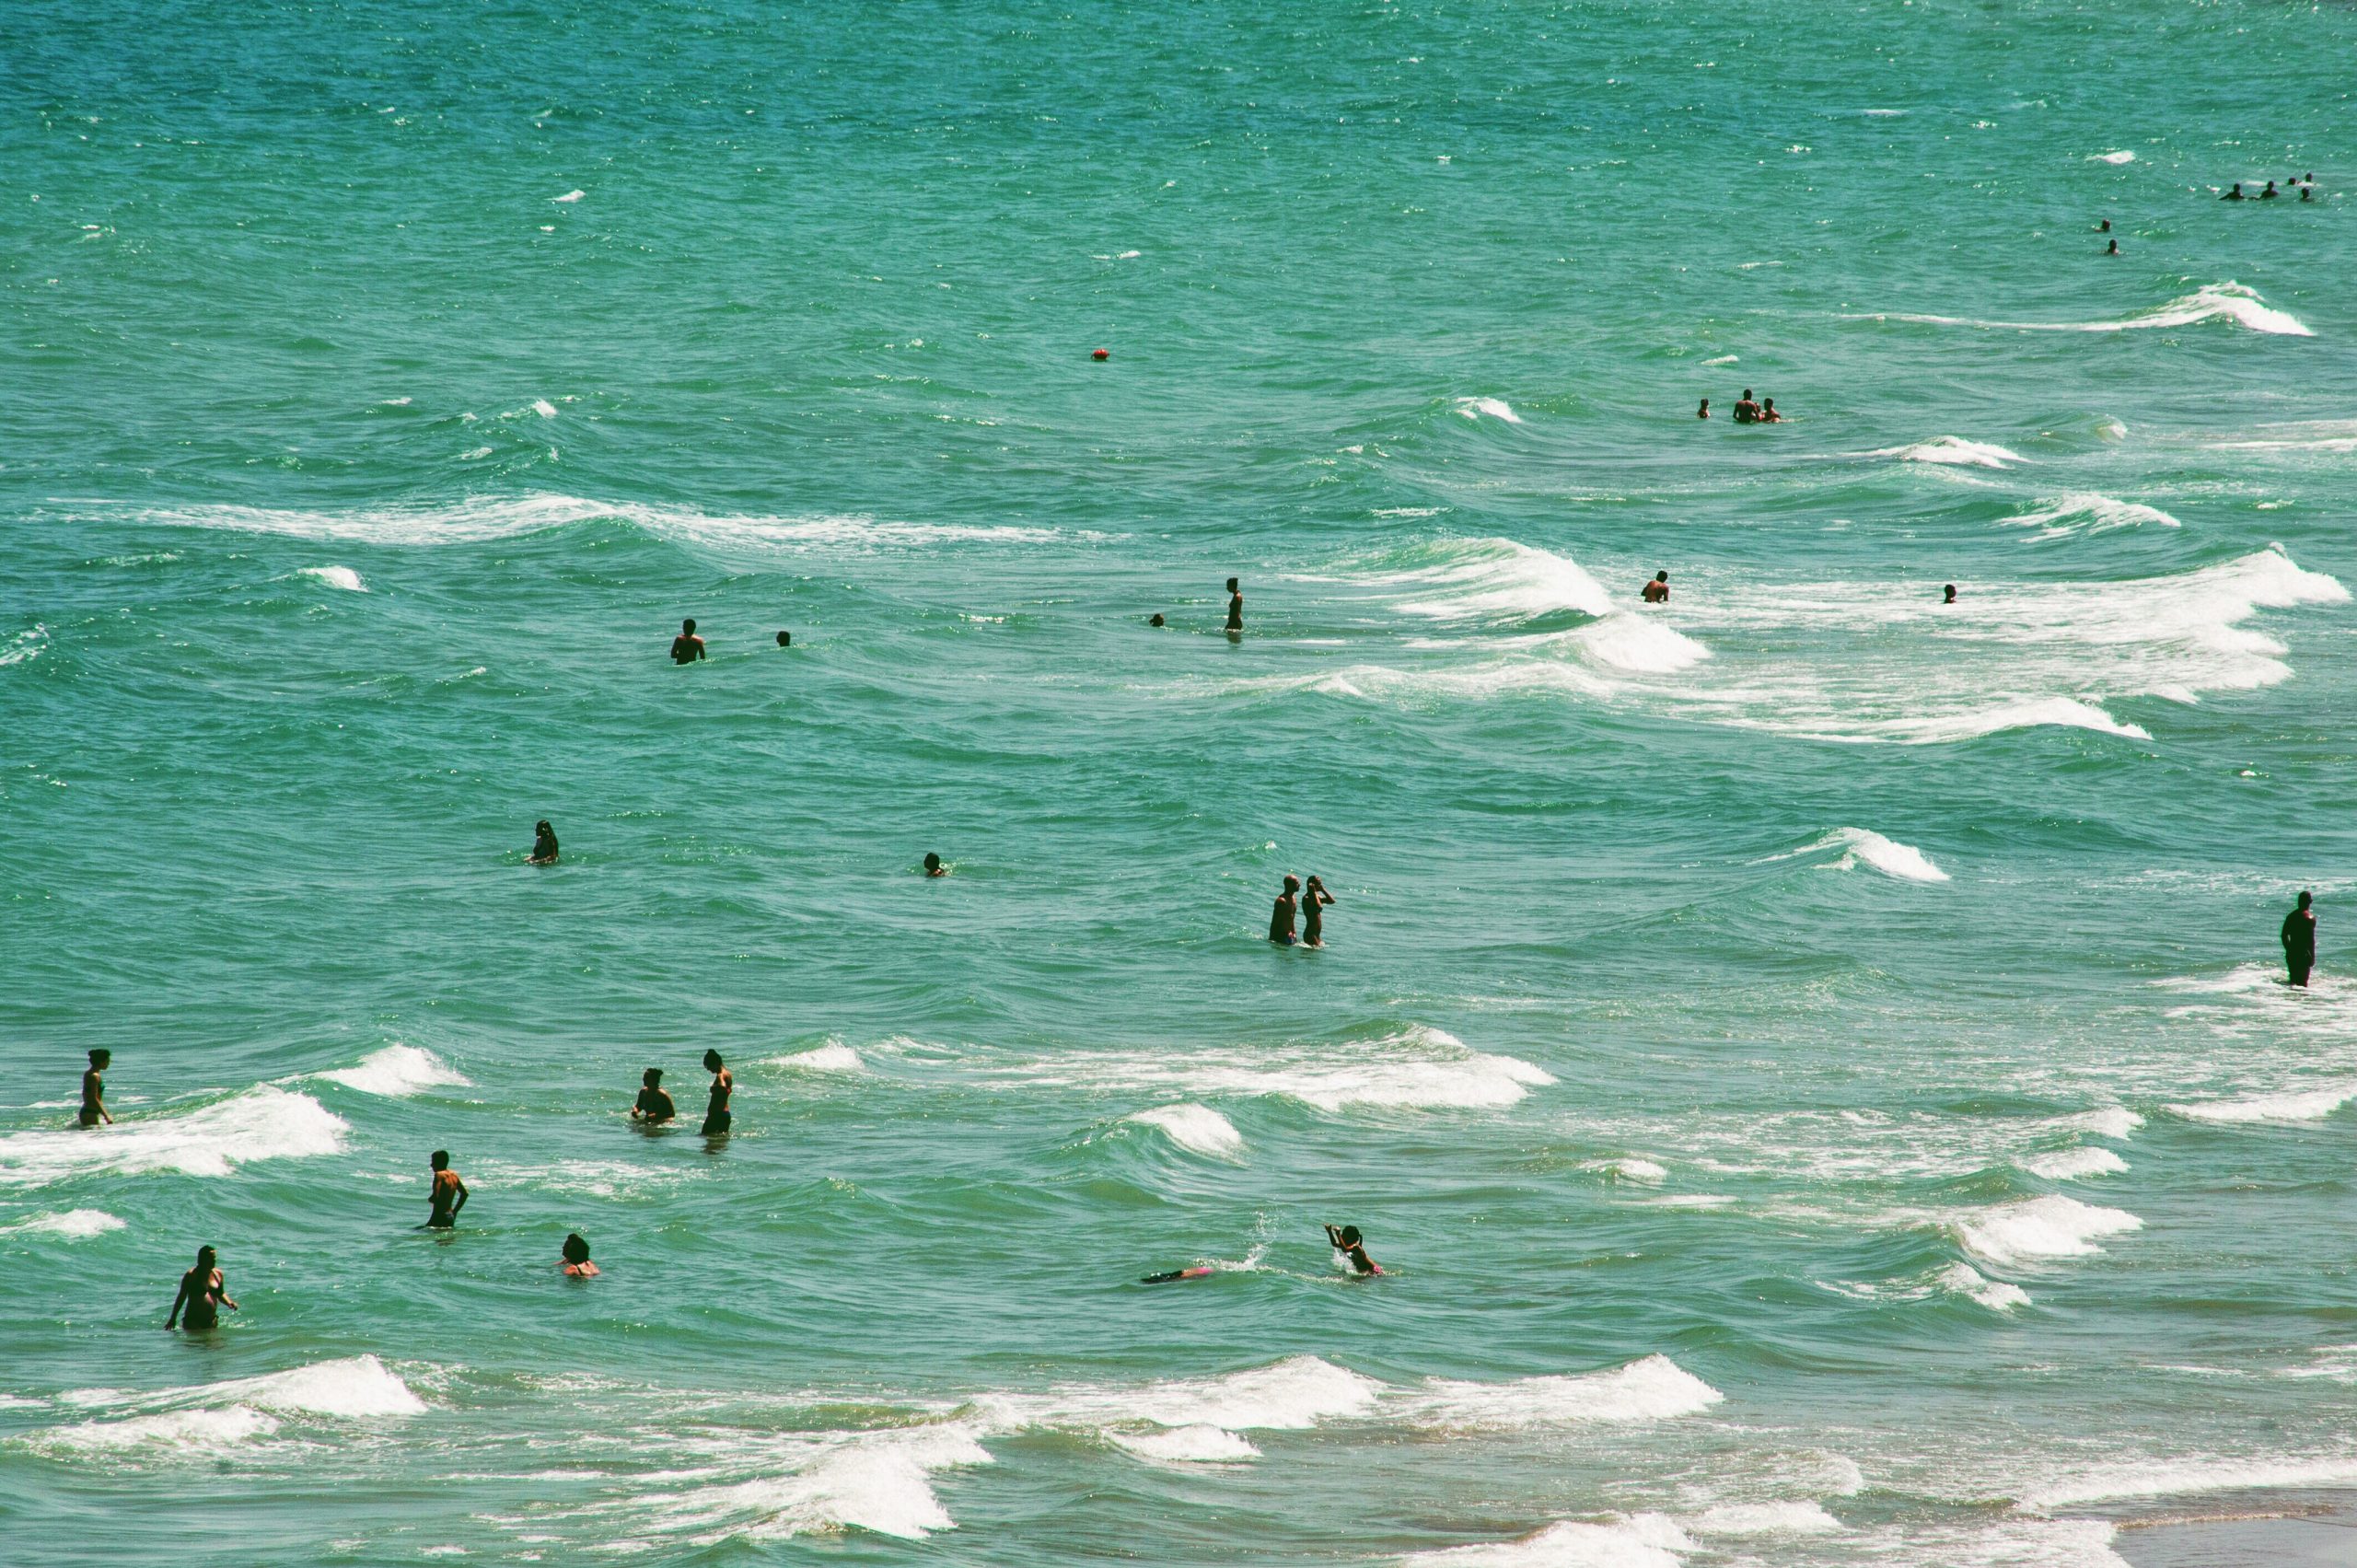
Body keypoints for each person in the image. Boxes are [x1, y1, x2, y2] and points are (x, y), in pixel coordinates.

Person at [166, 1246, 238, 1330]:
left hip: (211, 1321)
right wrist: (173, 1318)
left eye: (214, 1257)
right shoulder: (192, 1275)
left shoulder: (218, 1274)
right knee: (195, 1342)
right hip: (193, 1322)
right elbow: (182, 1297)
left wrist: (229, 1302)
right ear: (202, 1259)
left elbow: (220, 1293)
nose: (214, 1260)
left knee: (216, 1342)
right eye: (211, 1258)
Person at [426, 1150, 469, 1230]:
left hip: (439, 1216)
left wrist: (430, 1199)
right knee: (446, 1241)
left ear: (439, 1162)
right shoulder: (454, 1175)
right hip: (450, 1215)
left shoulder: (439, 1175)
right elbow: (465, 1193)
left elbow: (435, 1196)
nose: (431, 1164)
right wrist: (455, 1211)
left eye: (433, 1161)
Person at [2282, 891, 2317, 988]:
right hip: (2303, 955)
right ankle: (2302, 1001)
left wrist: (2289, 949)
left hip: (2292, 953)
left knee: (2293, 981)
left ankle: (2289, 1001)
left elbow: (2284, 935)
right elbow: (2311, 940)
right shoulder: (2309, 918)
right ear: (2310, 901)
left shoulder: (2291, 916)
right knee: (2303, 984)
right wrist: (2312, 957)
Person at [701, 1050, 733, 1135]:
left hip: (717, 1115)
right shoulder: (728, 1073)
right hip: (725, 1114)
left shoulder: (720, 1075)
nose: (708, 1069)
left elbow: (722, 1087)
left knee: (705, 1139)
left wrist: (712, 1088)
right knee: (720, 1143)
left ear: (716, 1063)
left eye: (709, 1066)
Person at [78, 1049, 112, 1128]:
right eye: (107, 1061)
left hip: (89, 1111)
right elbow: (93, 1098)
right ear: (101, 1062)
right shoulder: (93, 1076)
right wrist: (106, 1116)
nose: (109, 1063)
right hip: (90, 1113)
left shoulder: (90, 1074)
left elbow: (85, 1094)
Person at [1301, 876, 1335, 947]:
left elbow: (1332, 901)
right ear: (1311, 885)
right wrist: (1313, 892)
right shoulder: (1306, 898)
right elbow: (1319, 907)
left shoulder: (1316, 897)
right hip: (1310, 934)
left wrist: (1323, 890)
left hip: (1317, 934)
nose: (1320, 885)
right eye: (1319, 884)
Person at [1269, 875, 1300, 947]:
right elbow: (1274, 922)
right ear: (1289, 885)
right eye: (1297, 883)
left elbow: (1291, 918)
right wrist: (1272, 939)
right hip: (1279, 936)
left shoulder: (1294, 899)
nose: (1299, 885)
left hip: (1289, 935)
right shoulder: (1281, 901)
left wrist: (1294, 933)